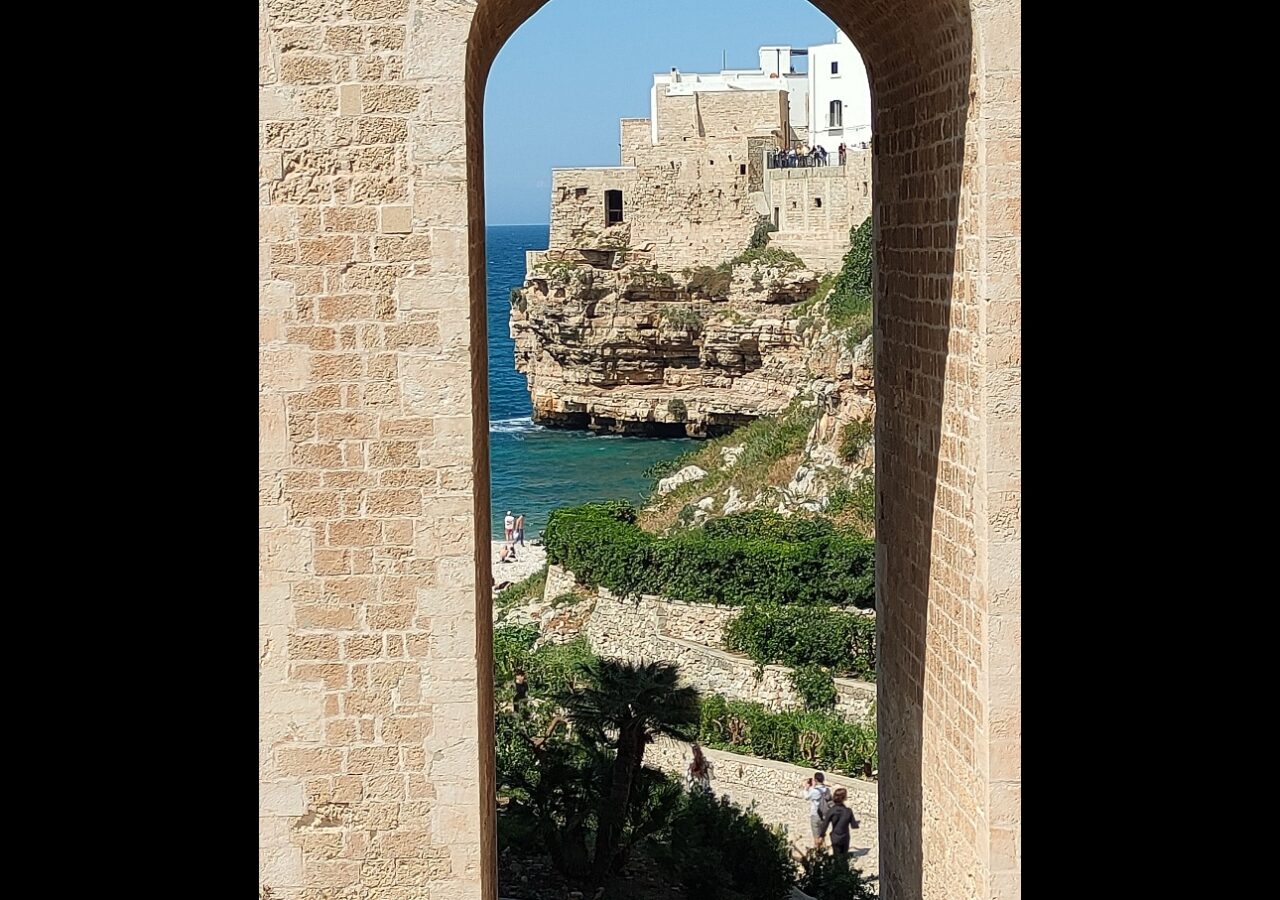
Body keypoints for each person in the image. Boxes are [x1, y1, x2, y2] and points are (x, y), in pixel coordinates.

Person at [820, 787, 859, 856]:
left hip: (835, 836)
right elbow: (854, 826)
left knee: (836, 856)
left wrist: (821, 835)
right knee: (844, 856)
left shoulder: (831, 811)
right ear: (844, 798)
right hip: (844, 837)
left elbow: (825, 825)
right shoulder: (848, 811)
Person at [803, 771, 833, 849]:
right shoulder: (827, 790)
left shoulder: (814, 791)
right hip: (825, 815)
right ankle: (824, 850)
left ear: (815, 780)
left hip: (815, 814)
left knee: (816, 836)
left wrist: (806, 788)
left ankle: (817, 851)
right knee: (822, 834)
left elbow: (807, 797)